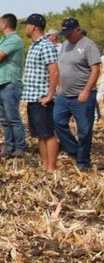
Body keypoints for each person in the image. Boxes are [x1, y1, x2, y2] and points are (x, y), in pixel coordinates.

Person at [54, 17, 101, 170]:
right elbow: (61, 66)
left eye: (69, 33)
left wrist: (87, 90)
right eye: (64, 33)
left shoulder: (88, 45)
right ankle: (74, 150)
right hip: (64, 95)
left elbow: (95, 70)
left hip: (82, 95)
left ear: (78, 30)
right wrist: (59, 85)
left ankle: (83, 161)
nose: (67, 36)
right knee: (57, 121)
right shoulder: (65, 45)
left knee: (84, 129)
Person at [21, 14, 60, 171]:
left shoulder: (45, 45)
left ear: (33, 27)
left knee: (48, 134)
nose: (25, 28)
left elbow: (54, 72)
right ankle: (45, 165)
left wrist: (50, 95)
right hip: (33, 97)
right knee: (40, 134)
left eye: (27, 25)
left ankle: (51, 167)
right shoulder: (34, 45)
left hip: (42, 96)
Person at [0, 13, 27, 158]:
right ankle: (9, 146)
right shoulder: (3, 40)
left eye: (0, 23)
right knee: (4, 120)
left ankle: (19, 147)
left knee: (13, 118)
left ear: (5, 24)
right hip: (0, 83)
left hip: (10, 83)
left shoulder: (14, 40)